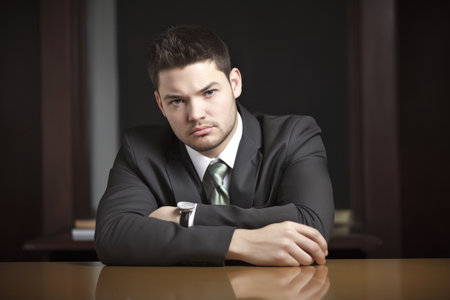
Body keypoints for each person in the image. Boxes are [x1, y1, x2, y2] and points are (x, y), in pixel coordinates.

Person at [95, 24, 334, 266]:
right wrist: (238, 242)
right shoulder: (140, 150)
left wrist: (186, 216)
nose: (196, 114)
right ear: (160, 104)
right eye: (177, 101)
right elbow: (112, 235)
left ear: (235, 84)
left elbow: (312, 225)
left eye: (208, 92)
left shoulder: (294, 136)